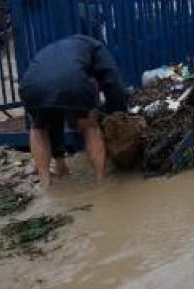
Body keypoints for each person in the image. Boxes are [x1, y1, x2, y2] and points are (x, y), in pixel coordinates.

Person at [19, 35, 127, 188]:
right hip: (72, 83)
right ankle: (101, 181)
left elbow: (55, 111)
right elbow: (112, 81)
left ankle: (47, 182)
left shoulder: (54, 48)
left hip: (31, 86)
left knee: (39, 127)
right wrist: (118, 111)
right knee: (89, 126)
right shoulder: (96, 47)